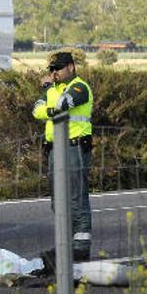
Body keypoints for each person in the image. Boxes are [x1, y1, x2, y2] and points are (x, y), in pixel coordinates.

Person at [33, 51, 94, 262]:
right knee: (58, 201)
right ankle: (65, 244)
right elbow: (36, 111)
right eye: (52, 70)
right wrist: (50, 98)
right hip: (54, 149)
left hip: (74, 147)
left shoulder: (79, 87)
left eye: (57, 69)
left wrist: (49, 94)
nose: (54, 73)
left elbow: (63, 104)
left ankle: (81, 246)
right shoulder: (53, 89)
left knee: (76, 198)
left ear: (71, 67)